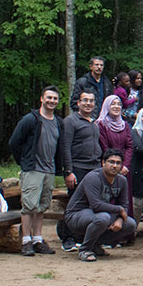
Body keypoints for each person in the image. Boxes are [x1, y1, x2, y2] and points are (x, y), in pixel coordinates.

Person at [9, 85, 64, 256]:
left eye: (55, 98)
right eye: (49, 98)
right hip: (33, 169)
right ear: (42, 99)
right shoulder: (31, 119)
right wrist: (24, 162)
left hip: (49, 170)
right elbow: (14, 142)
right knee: (29, 206)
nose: (52, 101)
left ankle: (37, 240)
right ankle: (26, 241)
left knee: (41, 207)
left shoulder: (58, 122)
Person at [63, 148, 137, 262]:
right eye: (111, 162)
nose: (114, 166)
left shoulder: (122, 180)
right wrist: (119, 209)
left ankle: (96, 244)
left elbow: (124, 204)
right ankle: (85, 250)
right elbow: (96, 205)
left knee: (130, 224)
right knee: (103, 218)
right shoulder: (93, 177)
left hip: (99, 214)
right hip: (76, 215)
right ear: (103, 163)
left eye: (118, 163)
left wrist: (120, 220)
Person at [58, 90, 101, 252]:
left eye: (91, 101)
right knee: (74, 204)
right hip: (77, 168)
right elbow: (65, 147)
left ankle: (82, 237)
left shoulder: (94, 122)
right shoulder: (70, 121)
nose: (88, 103)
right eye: (85, 100)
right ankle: (67, 237)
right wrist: (68, 171)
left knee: (91, 204)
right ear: (78, 103)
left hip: (94, 168)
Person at [96, 96, 134, 201]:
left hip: (123, 168)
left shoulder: (124, 125)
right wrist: (115, 164)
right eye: (113, 104)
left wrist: (125, 165)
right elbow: (104, 146)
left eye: (119, 104)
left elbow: (129, 146)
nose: (116, 107)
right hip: (109, 166)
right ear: (107, 106)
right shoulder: (101, 124)